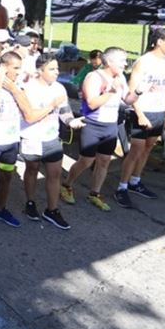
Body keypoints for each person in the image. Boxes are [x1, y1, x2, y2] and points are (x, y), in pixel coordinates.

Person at [0, 51, 64, 236]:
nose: (19, 72)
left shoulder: (18, 84)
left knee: (6, 177)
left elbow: (28, 103)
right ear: (3, 67)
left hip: (11, 141)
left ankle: (0, 209)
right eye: (15, 68)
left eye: (20, 67)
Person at [60, 47, 143, 211]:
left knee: (104, 161)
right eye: (122, 60)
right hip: (93, 125)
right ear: (110, 61)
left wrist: (139, 91)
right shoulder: (94, 77)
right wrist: (111, 91)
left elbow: (127, 100)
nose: (125, 64)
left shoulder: (120, 77)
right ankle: (67, 185)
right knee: (86, 161)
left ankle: (94, 193)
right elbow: (91, 103)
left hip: (110, 125)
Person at [19, 54, 85, 230]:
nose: (57, 72)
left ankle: (52, 210)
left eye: (57, 68)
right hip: (31, 136)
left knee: (54, 174)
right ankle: (30, 203)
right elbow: (29, 116)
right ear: (40, 71)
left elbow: (64, 110)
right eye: (52, 69)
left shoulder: (59, 88)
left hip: (51, 137)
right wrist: (50, 105)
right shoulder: (27, 89)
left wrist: (71, 121)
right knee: (32, 170)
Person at [115, 28, 165, 208]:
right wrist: (140, 114)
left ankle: (136, 181)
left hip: (159, 111)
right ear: (159, 42)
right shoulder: (143, 62)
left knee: (148, 148)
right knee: (136, 151)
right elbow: (131, 90)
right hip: (143, 111)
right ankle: (122, 187)